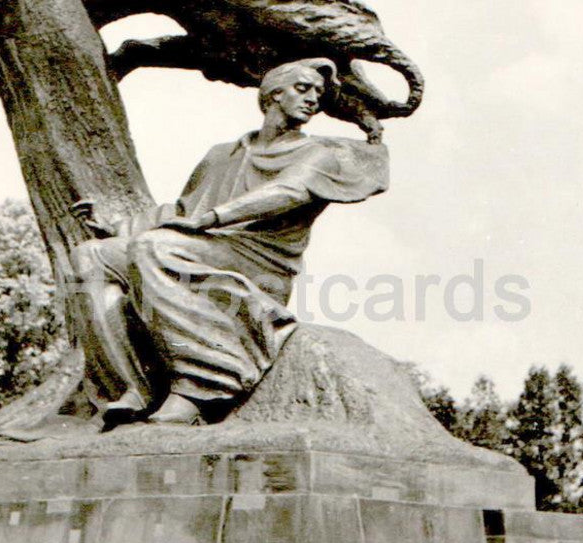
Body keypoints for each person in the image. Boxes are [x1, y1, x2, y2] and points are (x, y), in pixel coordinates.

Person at [68, 59, 389, 427]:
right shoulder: (222, 155)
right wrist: (115, 226)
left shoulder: (317, 154)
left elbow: (287, 192)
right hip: (203, 245)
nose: (314, 99)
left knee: (153, 248)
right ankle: (130, 387)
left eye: (319, 92)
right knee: (89, 256)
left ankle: (199, 385)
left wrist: (213, 219)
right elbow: (184, 208)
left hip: (259, 261)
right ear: (272, 94)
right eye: (303, 88)